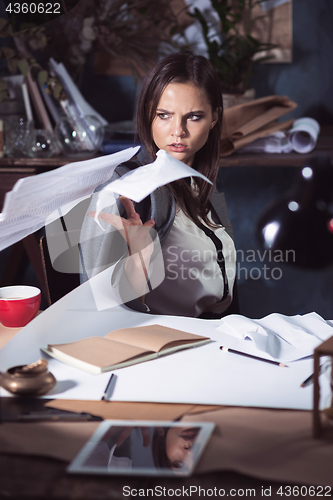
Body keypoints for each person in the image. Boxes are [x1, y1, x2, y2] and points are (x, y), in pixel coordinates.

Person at [80, 50, 238, 318]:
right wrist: (140, 255)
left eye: (194, 116)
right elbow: (100, 310)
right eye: (164, 115)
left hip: (219, 335)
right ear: (147, 114)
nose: (178, 131)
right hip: (160, 346)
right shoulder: (125, 191)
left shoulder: (202, 184)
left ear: (214, 117)